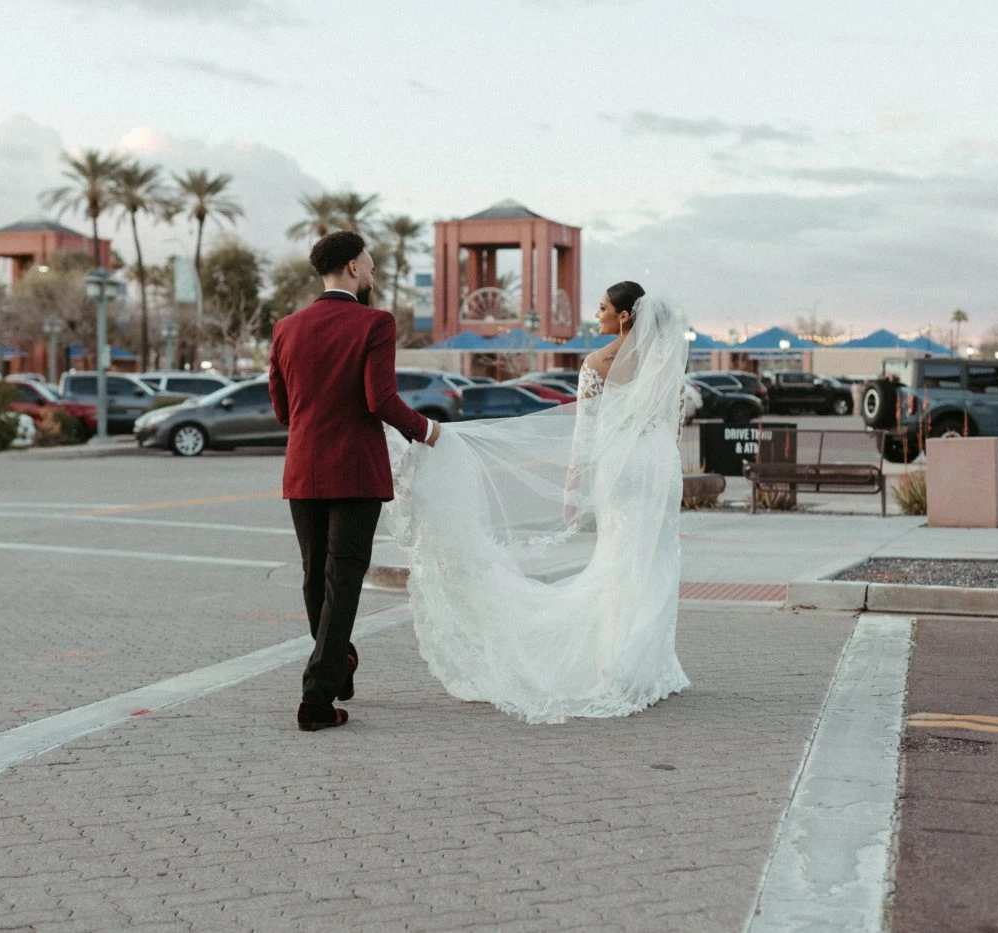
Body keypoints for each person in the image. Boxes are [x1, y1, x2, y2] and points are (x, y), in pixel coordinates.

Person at [387, 281, 689, 724]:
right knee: (657, 560)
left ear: (625, 316)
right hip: (659, 466)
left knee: (618, 561)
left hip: (619, 468)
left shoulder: (597, 363)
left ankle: (618, 661)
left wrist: (574, 487)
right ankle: (648, 665)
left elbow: (585, 431)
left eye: (603, 307)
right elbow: (673, 422)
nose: (597, 313)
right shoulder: (665, 364)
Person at [269, 230, 440, 732]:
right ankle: (317, 698)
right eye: (368, 265)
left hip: (303, 468)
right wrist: (426, 430)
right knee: (343, 579)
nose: (371, 273)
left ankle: (337, 666)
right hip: (357, 472)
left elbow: (282, 409)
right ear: (350, 269)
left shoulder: (285, 328)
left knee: (313, 574)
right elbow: (380, 400)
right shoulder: (375, 323)